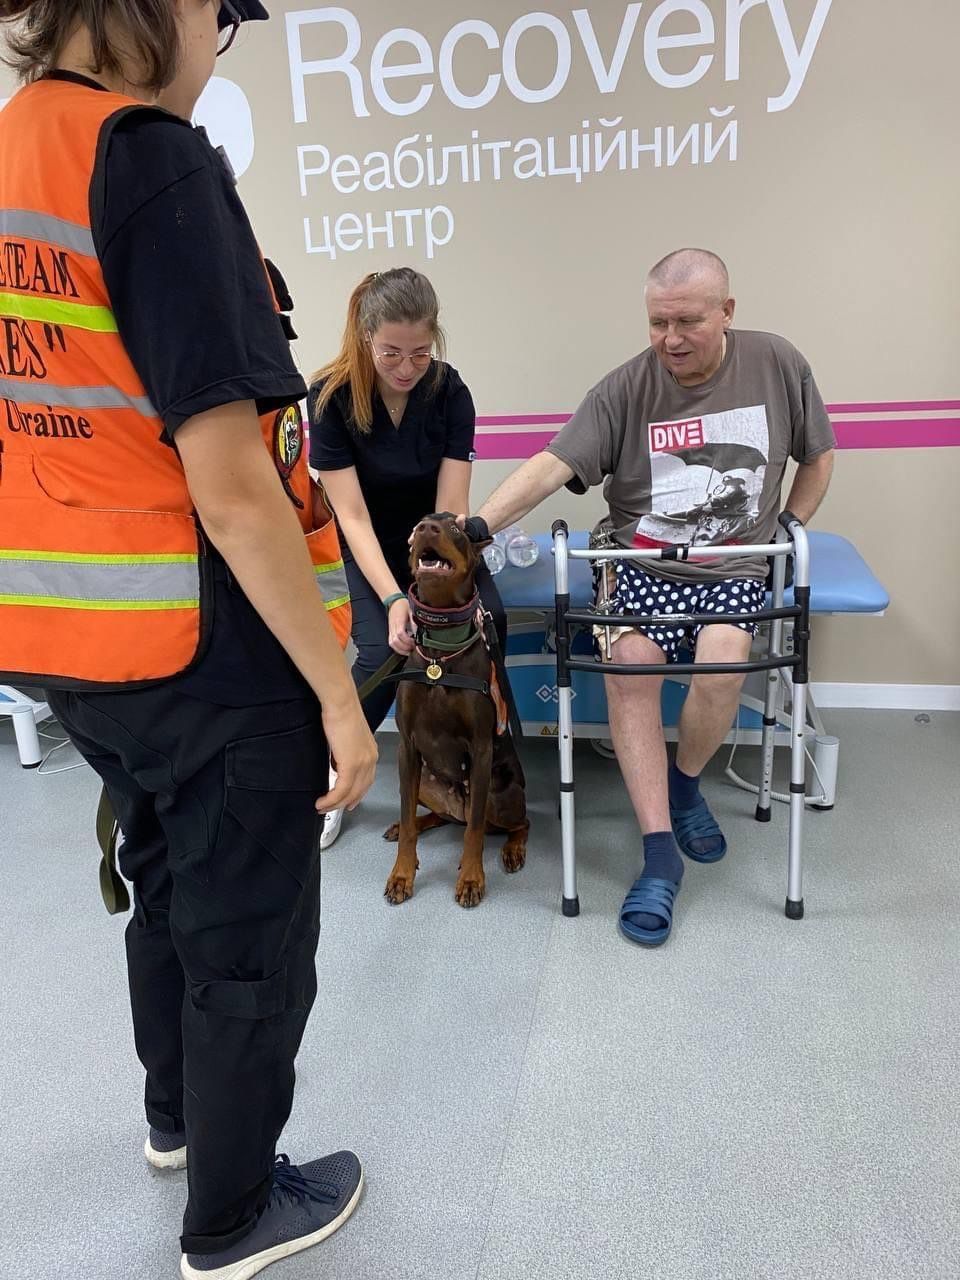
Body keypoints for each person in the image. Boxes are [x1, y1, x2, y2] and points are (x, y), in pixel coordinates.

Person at [0, 3, 378, 1278]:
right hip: (208, 642)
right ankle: (233, 1212)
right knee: (249, 929)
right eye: (221, 15)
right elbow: (233, 487)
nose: (219, 43)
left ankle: (176, 1120)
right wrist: (339, 696)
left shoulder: (13, 151)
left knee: (164, 880)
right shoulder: (150, 158)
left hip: (74, 639)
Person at [462, 248, 835, 947]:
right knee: (631, 669)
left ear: (727, 312)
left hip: (734, 564)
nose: (671, 338)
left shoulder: (778, 364)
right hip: (640, 562)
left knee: (723, 666)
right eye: (658, 322)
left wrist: (790, 528)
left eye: (688, 321)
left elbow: (818, 456)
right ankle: (660, 853)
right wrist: (476, 527)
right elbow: (552, 464)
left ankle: (685, 784)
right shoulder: (625, 389)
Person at [309, 268, 507, 848]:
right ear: (366, 337)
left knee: (490, 624)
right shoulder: (330, 398)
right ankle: (333, 771)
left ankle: (476, 763)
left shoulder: (449, 392)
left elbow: (451, 511)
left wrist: (433, 586)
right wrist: (398, 597)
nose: (406, 367)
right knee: (383, 648)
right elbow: (351, 516)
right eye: (391, 353)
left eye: (420, 353)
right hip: (364, 543)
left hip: (432, 544)